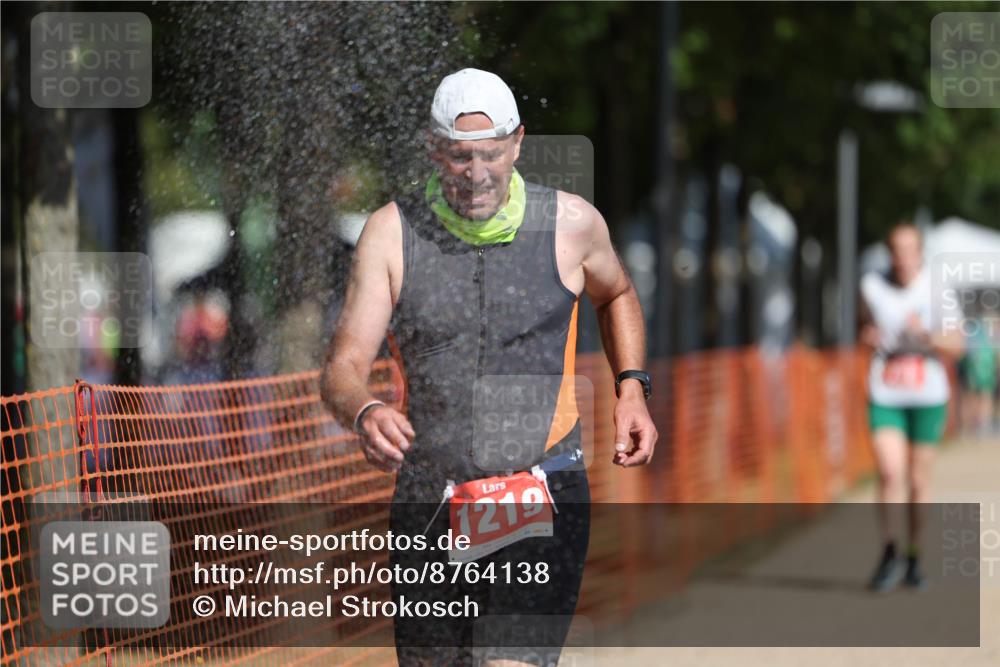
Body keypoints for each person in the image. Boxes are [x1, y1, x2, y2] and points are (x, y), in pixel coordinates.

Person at [321, 68, 657, 665]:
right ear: (433, 149)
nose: (477, 174)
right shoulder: (391, 235)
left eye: (492, 155)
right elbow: (343, 364)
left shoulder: (572, 225)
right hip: (432, 497)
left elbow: (618, 294)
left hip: (539, 487)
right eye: (459, 157)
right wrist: (363, 408)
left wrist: (632, 386)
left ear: (519, 142)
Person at [859, 222, 964, 592]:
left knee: (919, 480)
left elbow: (958, 345)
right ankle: (889, 551)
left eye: (910, 250)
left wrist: (928, 335)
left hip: (927, 393)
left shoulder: (938, 288)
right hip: (886, 392)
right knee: (890, 472)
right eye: (897, 250)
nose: (903, 257)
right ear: (889, 254)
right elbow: (864, 327)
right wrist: (867, 336)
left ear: (920, 253)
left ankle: (915, 556)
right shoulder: (871, 286)